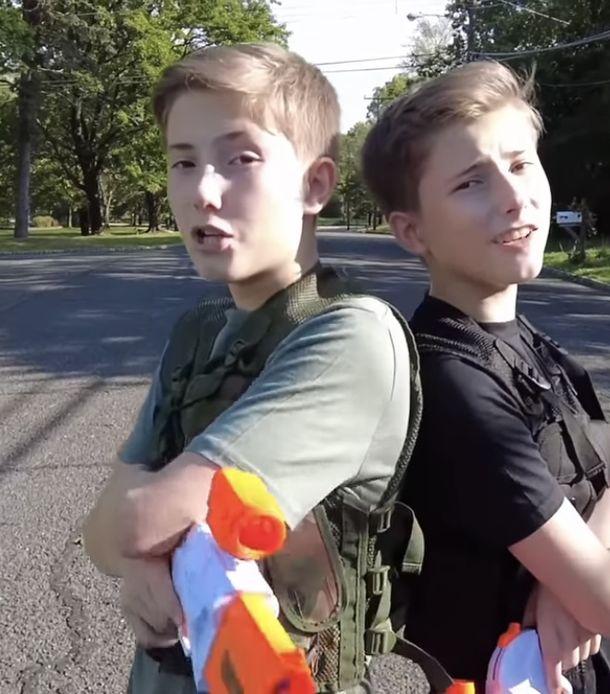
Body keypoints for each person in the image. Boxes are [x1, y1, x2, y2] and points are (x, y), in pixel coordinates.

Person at [82, 43, 425, 694]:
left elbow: (135, 519)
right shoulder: (198, 333)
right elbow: (103, 538)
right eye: (183, 162)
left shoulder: (352, 336)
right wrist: (141, 562)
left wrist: (143, 551)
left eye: (240, 159)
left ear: (315, 185)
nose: (203, 191)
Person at [361, 60, 610, 693]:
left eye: (521, 163)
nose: (514, 195)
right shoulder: (451, 379)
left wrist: (565, 584)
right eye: (472, 182)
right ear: (411, 230)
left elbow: (601, 485)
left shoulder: (532, 346)